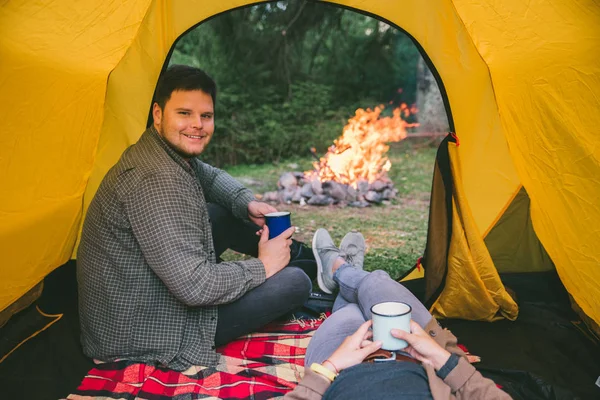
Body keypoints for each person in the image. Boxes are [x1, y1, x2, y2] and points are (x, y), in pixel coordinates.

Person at [77, 65, 312, 371]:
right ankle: (308, 267)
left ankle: (304, 258)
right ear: (159, 114)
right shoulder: (157, 180)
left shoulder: (161, 149)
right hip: (142, 331)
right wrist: (264, 266)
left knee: (221, 212)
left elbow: (209, 178)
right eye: (184, 113)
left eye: (206, 116)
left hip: (141, 293)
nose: (197, 125)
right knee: (295, 283)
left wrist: (246, 202)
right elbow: (195, 288)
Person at [284, 229, 512, 400]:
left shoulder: (334, 367)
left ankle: (339, 269)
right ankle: (344, 271)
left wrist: (330, 368)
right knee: (376, 282)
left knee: (354, 308)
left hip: (341, 370)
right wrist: (442, 357)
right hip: (424, 360)